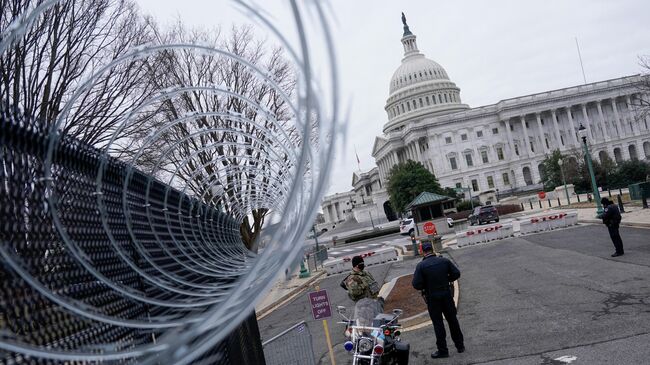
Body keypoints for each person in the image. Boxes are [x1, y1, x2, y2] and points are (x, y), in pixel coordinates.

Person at [412, 242, 464, 359]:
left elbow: (416, 284)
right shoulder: (444, 261)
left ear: (423, 251)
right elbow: (456, 273)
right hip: (446, 294)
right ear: (432, 249)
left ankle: (443, 350)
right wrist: (447, 279)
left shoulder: (421, 266)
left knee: (438, 323)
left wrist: (427, 285)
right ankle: (460, 346)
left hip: (432, 297)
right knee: (452, 320)